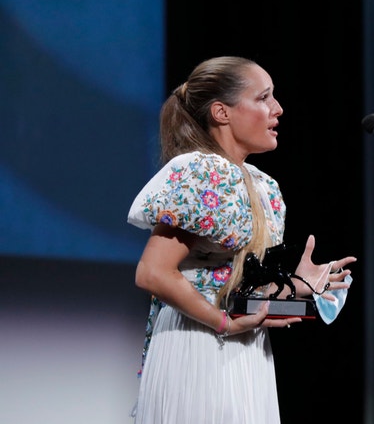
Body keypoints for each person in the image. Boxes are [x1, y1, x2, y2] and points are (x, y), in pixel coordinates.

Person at [126, 56, 357, 424]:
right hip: (197, 343)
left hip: (246, 348)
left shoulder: (265, 186)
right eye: (264, 98)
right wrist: (224, 324)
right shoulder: (200, 171)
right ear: (222, 112)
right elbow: (153, 273)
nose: (277, 109)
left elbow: (239, 287)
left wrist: (296, 287)